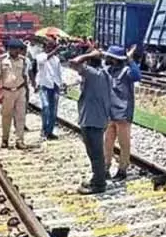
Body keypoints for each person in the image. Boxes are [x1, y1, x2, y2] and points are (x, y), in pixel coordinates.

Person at [69, 49, 111, 194]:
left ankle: (99, 184)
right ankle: (97, 178)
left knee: (95, 153)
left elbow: (73, 62)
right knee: (96, 153)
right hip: (98, 118)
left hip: (91, 119)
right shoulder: (105, 73)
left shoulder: (94, 74)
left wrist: (88, 54)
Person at [103, 45, 140, 181]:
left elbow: (137, 76)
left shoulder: (126, 72)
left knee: (124, 144)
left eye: (109, 57)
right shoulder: (108, 71)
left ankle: (122, 170)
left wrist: (130, 60)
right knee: (107, 142)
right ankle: (105, 167)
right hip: (110, 113)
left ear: (115, 59)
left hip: (123, 114)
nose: (107, 58)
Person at [0, 39, 29, 149]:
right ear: (10, 49)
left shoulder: (23, 60)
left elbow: (25, 76)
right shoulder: (1, 59)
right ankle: (5, 139)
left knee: (21, 116)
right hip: (7, 91)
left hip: (20, 90)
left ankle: (20, 140)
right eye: (15, 49)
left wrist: (27, 91)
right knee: (6, 116)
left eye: (19, 49)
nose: (18, 51)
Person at [35, 40, 62, 140]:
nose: (50, 48)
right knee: (45, 107)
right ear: (44, 47)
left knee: (53, 110)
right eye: (48, 47)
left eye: (52, 47)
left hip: (55, 86)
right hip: (44, 85)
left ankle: (49, 131)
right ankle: (44, 129)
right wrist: (55, 50)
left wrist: (61, 83)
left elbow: (58, 73)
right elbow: (43, 60)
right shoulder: (41, 56)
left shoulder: (56, 59)